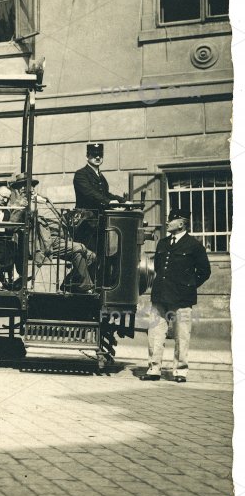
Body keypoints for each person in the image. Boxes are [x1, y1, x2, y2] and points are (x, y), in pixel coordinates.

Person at [141, 208, 211, 383]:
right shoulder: (163, 243)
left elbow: (204, 271)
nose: (167, 222)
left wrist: (188, 286)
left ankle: (180, 371)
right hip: (160, 295)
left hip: (182, 298)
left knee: (182, 335)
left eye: (171, 220)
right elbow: (158, 267)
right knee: (155, 334)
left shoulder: (194, 245)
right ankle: (154, 369)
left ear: (181, 224)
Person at [73, 142, 125, 254]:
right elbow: (90, 193)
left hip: (100, 223)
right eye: (94, 154)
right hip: (86, 224)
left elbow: (106, 194)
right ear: (87, 156)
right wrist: (109, 202)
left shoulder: (101, 176)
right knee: (88, 256)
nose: (97, 157)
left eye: (100, 155)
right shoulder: (81, 174)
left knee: (101, 256)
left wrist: (123, 201)